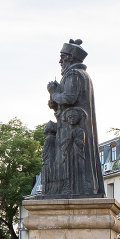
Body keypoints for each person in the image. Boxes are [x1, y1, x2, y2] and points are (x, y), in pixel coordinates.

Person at [45, 39, 105, 198]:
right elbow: (64, 103)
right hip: (70, 127)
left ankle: (72, 189)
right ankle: (71, 188)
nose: (60, 61)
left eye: (62, 57)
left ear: (69, 58)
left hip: (73, 129)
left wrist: (54, 92)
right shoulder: (79, 75)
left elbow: (69, 98)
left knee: (71, 161)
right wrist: (55, 100)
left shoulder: (74, 74)